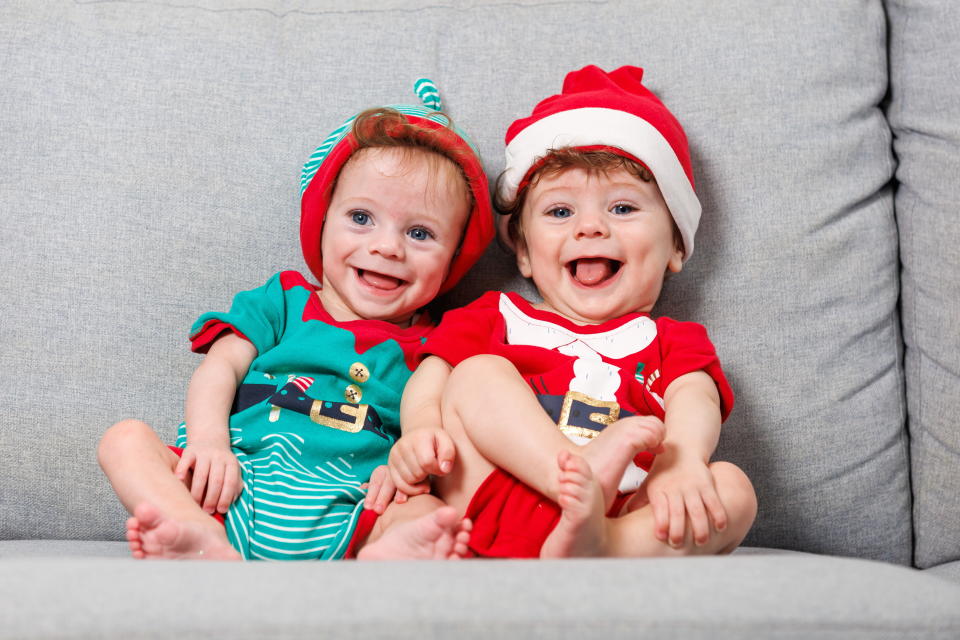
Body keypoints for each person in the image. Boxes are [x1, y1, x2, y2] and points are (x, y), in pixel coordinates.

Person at [97, 79, 494, 561]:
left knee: (425, 512)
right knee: (124, 440)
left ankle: (387, 555)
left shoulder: (438, 342)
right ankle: (194, 536)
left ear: (455, 257)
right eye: (362, 218)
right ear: (322, 221)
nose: (387, 247)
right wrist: (208, 442)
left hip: (353, 504)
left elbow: (431, 428)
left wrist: (408, 469)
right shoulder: (282, 300)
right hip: (228, 485)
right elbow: (219, 368)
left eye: (419, 232)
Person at [386, 65, 757, 558]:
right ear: (522, 252)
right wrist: (419, 431)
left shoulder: (671, 339)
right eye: (560, 212)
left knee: (732, 488)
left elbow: (696, 400)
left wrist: (683, 462)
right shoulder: (496, 315)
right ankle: (578, 477)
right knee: (477, 374)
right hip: (495, 504)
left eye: (622, 208)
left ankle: (606, 546)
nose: (590, 228)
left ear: (676, 247)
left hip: (616, 515)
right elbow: (431, 381)